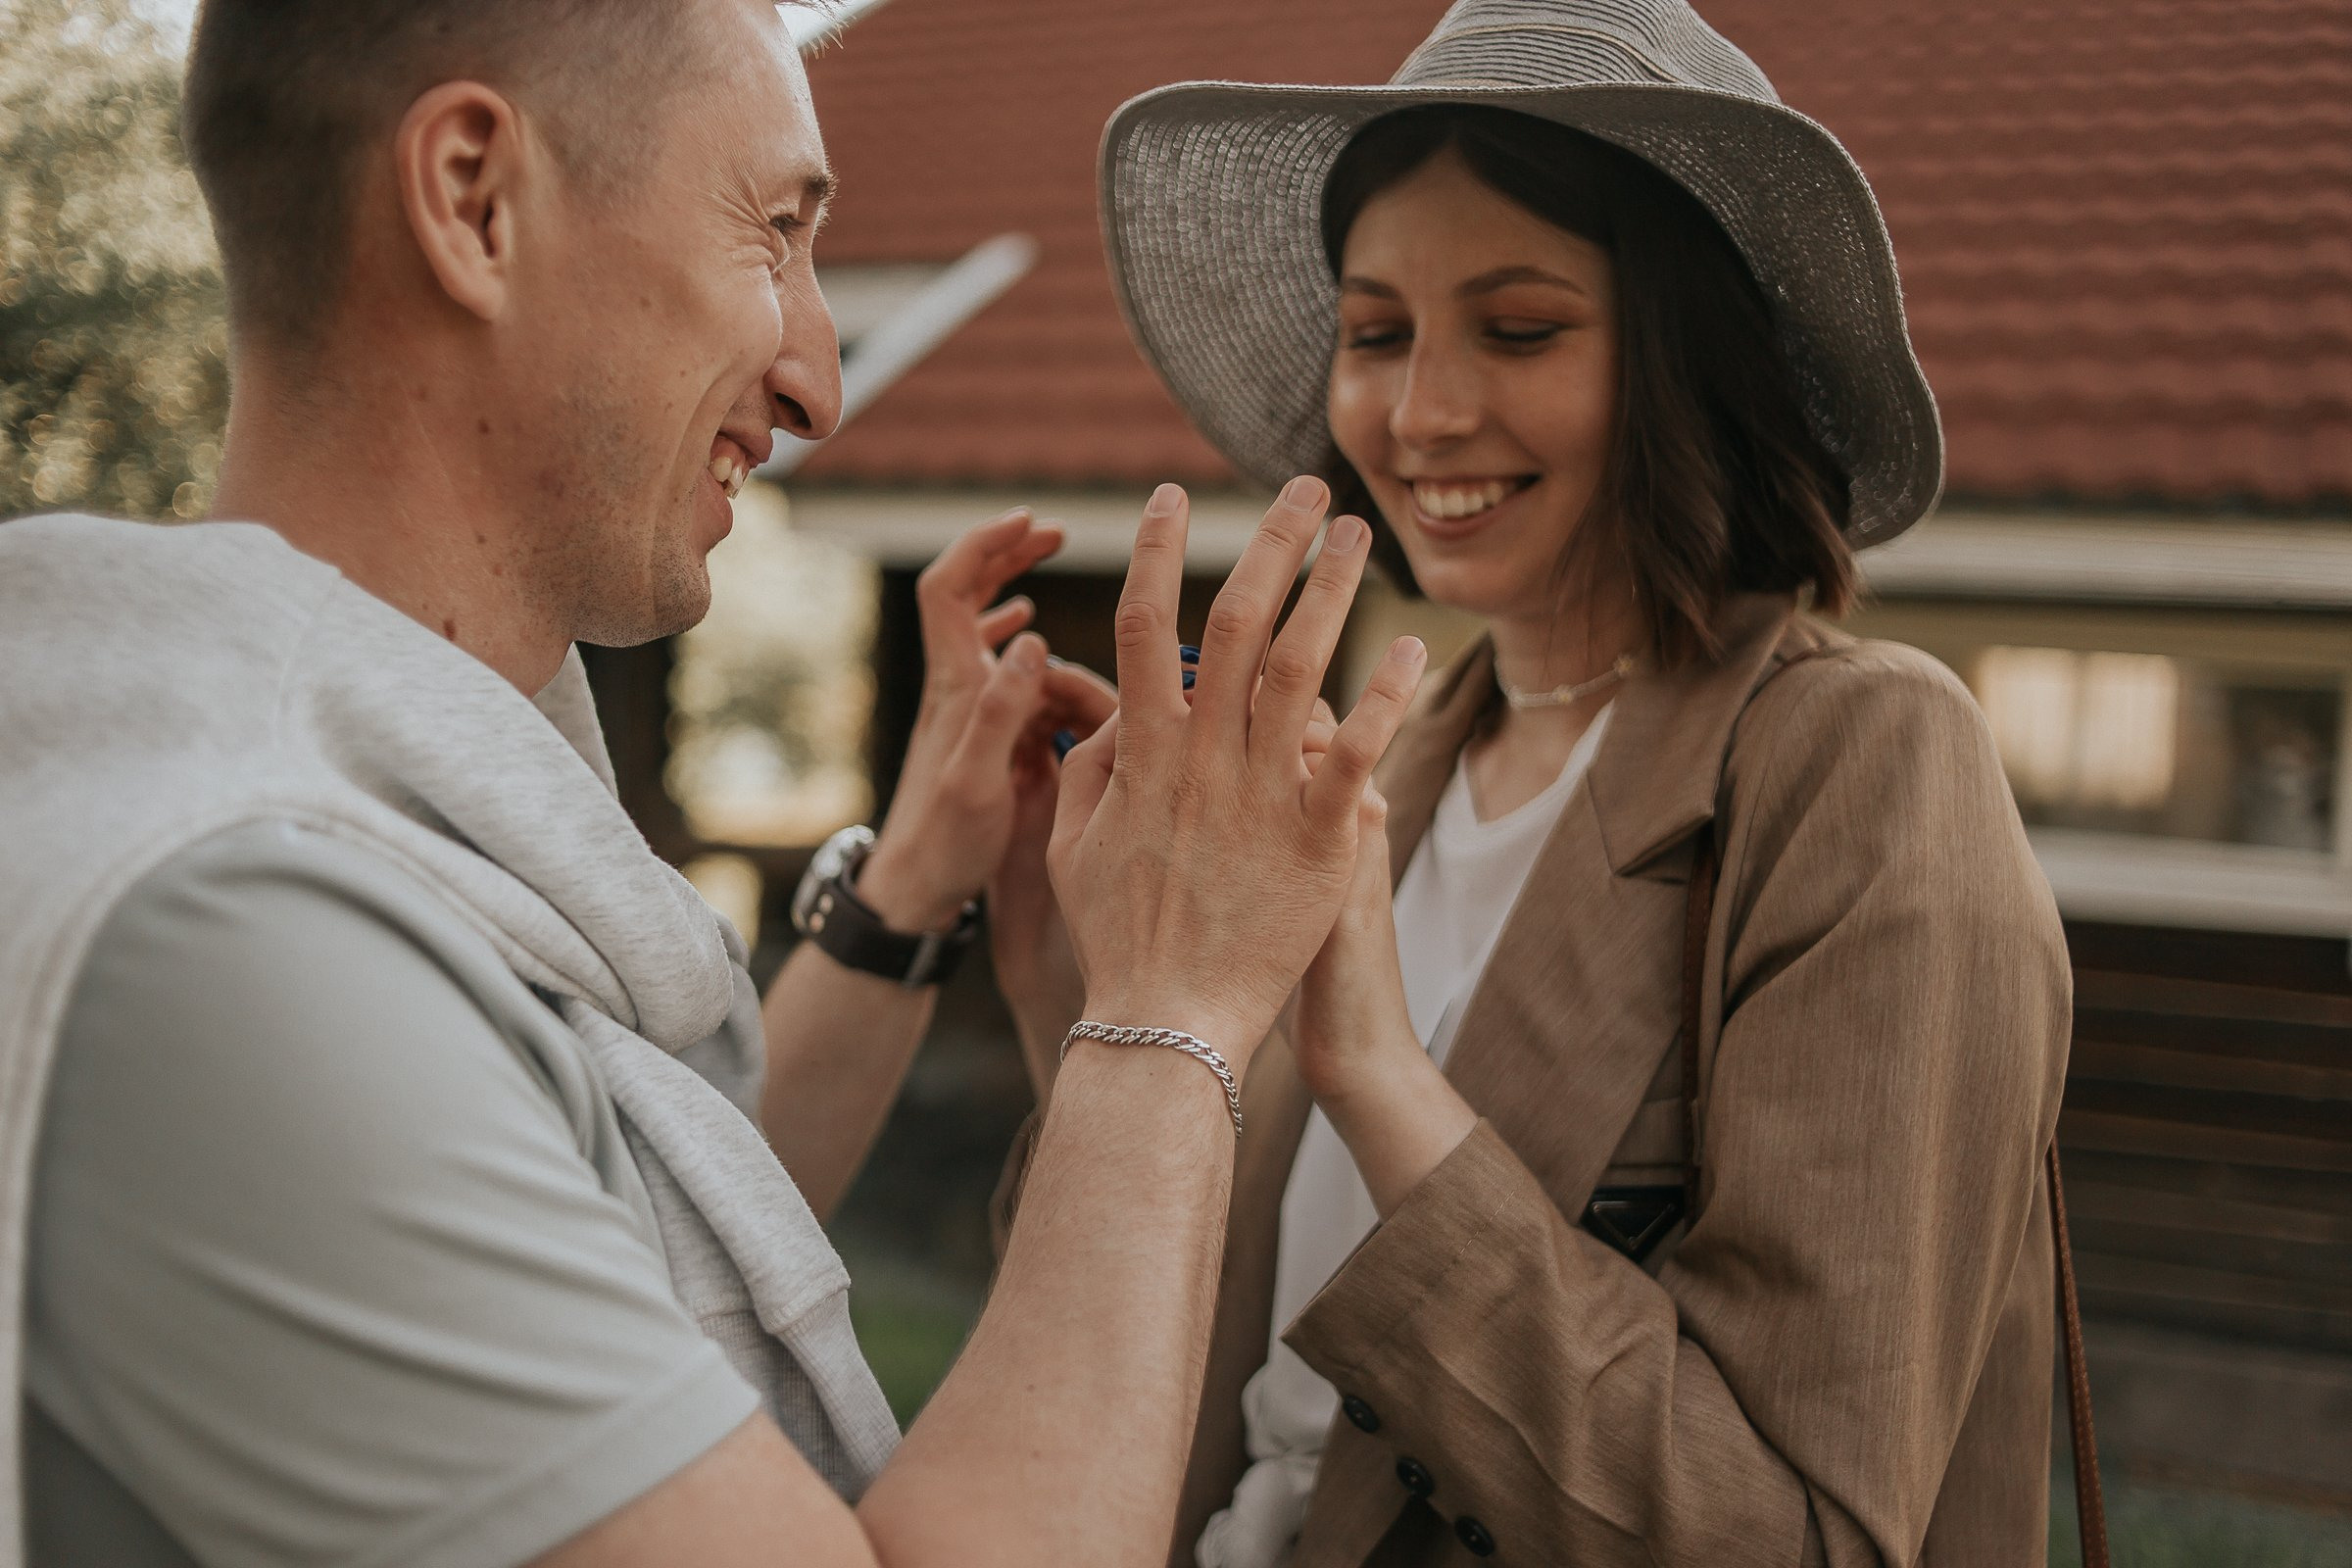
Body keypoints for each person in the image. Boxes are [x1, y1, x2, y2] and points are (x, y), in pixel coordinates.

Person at [0, 2, 1429, 1564]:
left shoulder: (326, 806)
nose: (820, 379)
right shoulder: (239, 930)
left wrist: (908, 896)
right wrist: (1170, 1008)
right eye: (776, 233)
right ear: (476, 200)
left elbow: (643, 1219)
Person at [994, 1, 2074, 1563]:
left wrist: (1380, 1072)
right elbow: (1184, 1346)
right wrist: (1081, 988)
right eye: (1375, 333)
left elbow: (1804, 1538)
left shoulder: (1859, 764)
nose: (1421, 413)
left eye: (1518, 328)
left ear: (1687, 354)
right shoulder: (1384, 775)